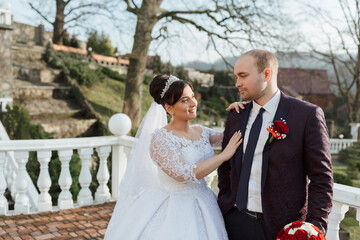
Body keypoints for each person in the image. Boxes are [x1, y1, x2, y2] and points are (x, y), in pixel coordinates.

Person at [105, 74, 242, 240]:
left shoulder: (202, 131)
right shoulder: (160, 138)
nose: (193, 103)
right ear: (169, 108)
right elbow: (182, 174)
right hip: (174, 205)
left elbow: (233, 137)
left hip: (205, 202)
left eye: (192, 97)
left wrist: (238, 113)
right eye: (185, 100)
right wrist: (222, 157)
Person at [217, 49, 334, 240]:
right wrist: (226, 202)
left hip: (281, 229)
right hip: (234, 222)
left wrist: (313, 229)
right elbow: (226, 166)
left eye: (243, 76)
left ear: (267, 74)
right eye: (236, 76)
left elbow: (322, 179)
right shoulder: (235, 115)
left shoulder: (306, 115)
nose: (237, 83)